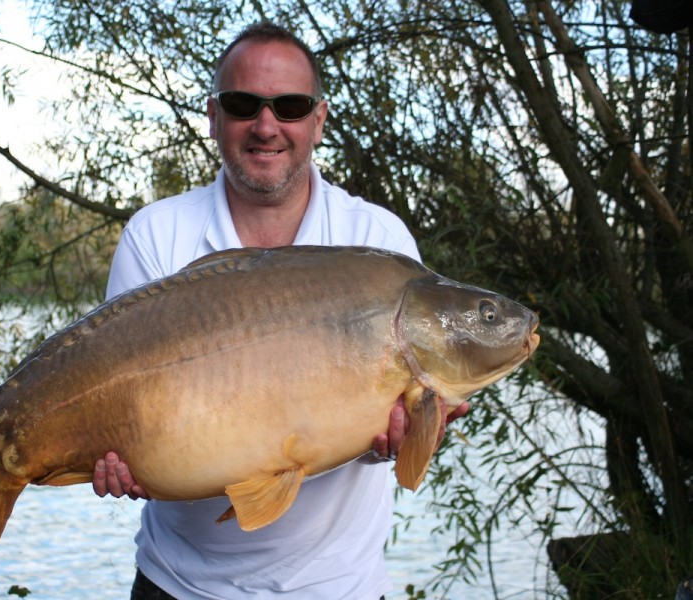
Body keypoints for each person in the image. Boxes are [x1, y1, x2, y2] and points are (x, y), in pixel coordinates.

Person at [93, 21, 469, 599]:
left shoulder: (377, 239)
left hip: (339, 587)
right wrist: (119, 456)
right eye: (245, 104)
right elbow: (129, 421)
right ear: (214, 117)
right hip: (179, 584)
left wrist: (399, 438)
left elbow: (382, 432)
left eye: (289, 106)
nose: (266, 126)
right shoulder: (156, 235)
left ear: (318, 120)